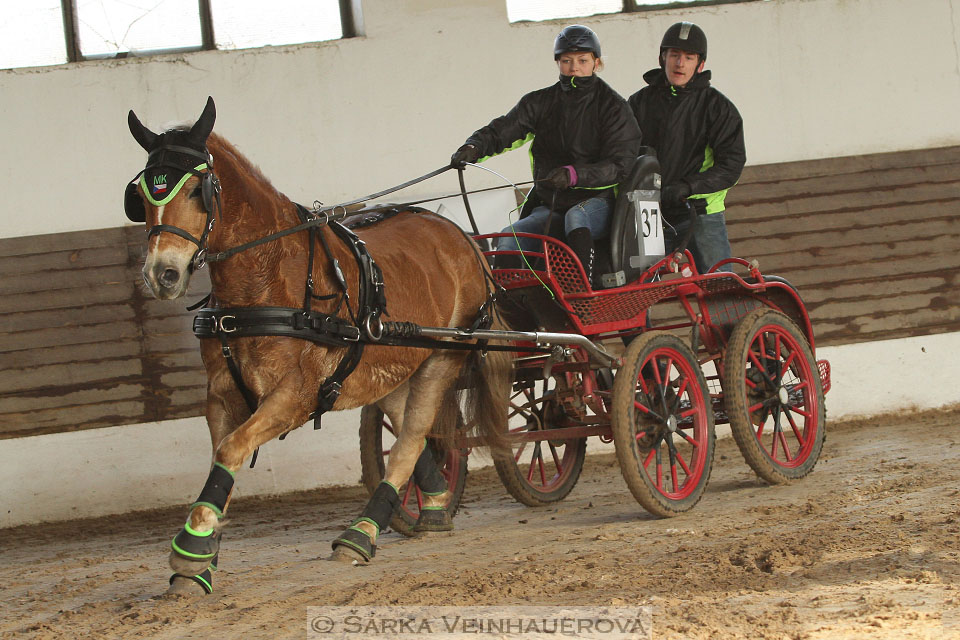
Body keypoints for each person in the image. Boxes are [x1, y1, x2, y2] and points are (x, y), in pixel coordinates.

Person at [451, 24, 641, 287]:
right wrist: (474, 147)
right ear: (558, 63)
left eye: (582, 60)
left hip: (599, 201)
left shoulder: (614, 107)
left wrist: (574, 175)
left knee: (577, 216)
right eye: (566, 60)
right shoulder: (540, 102)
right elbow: (505, 129)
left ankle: (580, 293)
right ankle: (510, 307)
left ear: (596, 63)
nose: (574, 67)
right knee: (510, 237)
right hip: (552, 203)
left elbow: (620, 165)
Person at [627, 21, 746, 274]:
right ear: (663, 58)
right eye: (674, 55)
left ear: (700, 64)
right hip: (650, 212)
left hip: (699, 213)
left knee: (719, 288)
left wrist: (688, 187)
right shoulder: (638, 103)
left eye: (688, 57)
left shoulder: (718, 108)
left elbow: (731, 165)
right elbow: (623, 154)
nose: (680, 63)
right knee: (633, 294)